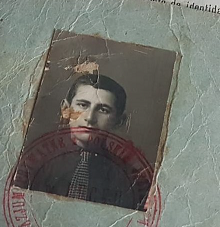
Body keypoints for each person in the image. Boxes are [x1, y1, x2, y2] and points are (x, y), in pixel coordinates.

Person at [27, 74, 150, 210]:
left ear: (119, 121)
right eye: (83, 105)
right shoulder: (34, 162)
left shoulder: (128, 179)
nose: (90, 117)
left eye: (103, 110)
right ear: (65, 109)